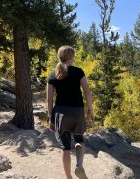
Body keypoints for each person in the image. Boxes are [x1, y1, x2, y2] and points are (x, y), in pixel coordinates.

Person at [46, 45, 94, 179]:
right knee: (79, 140)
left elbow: (49, 99)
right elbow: (88, 93)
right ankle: (79, 165)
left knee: (65, 146)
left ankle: (68, 177)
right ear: (71, 57)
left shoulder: (53, 74)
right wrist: (90, 110)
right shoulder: (78, 72)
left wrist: (50, 116)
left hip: (61, 113)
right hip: (77, 111)